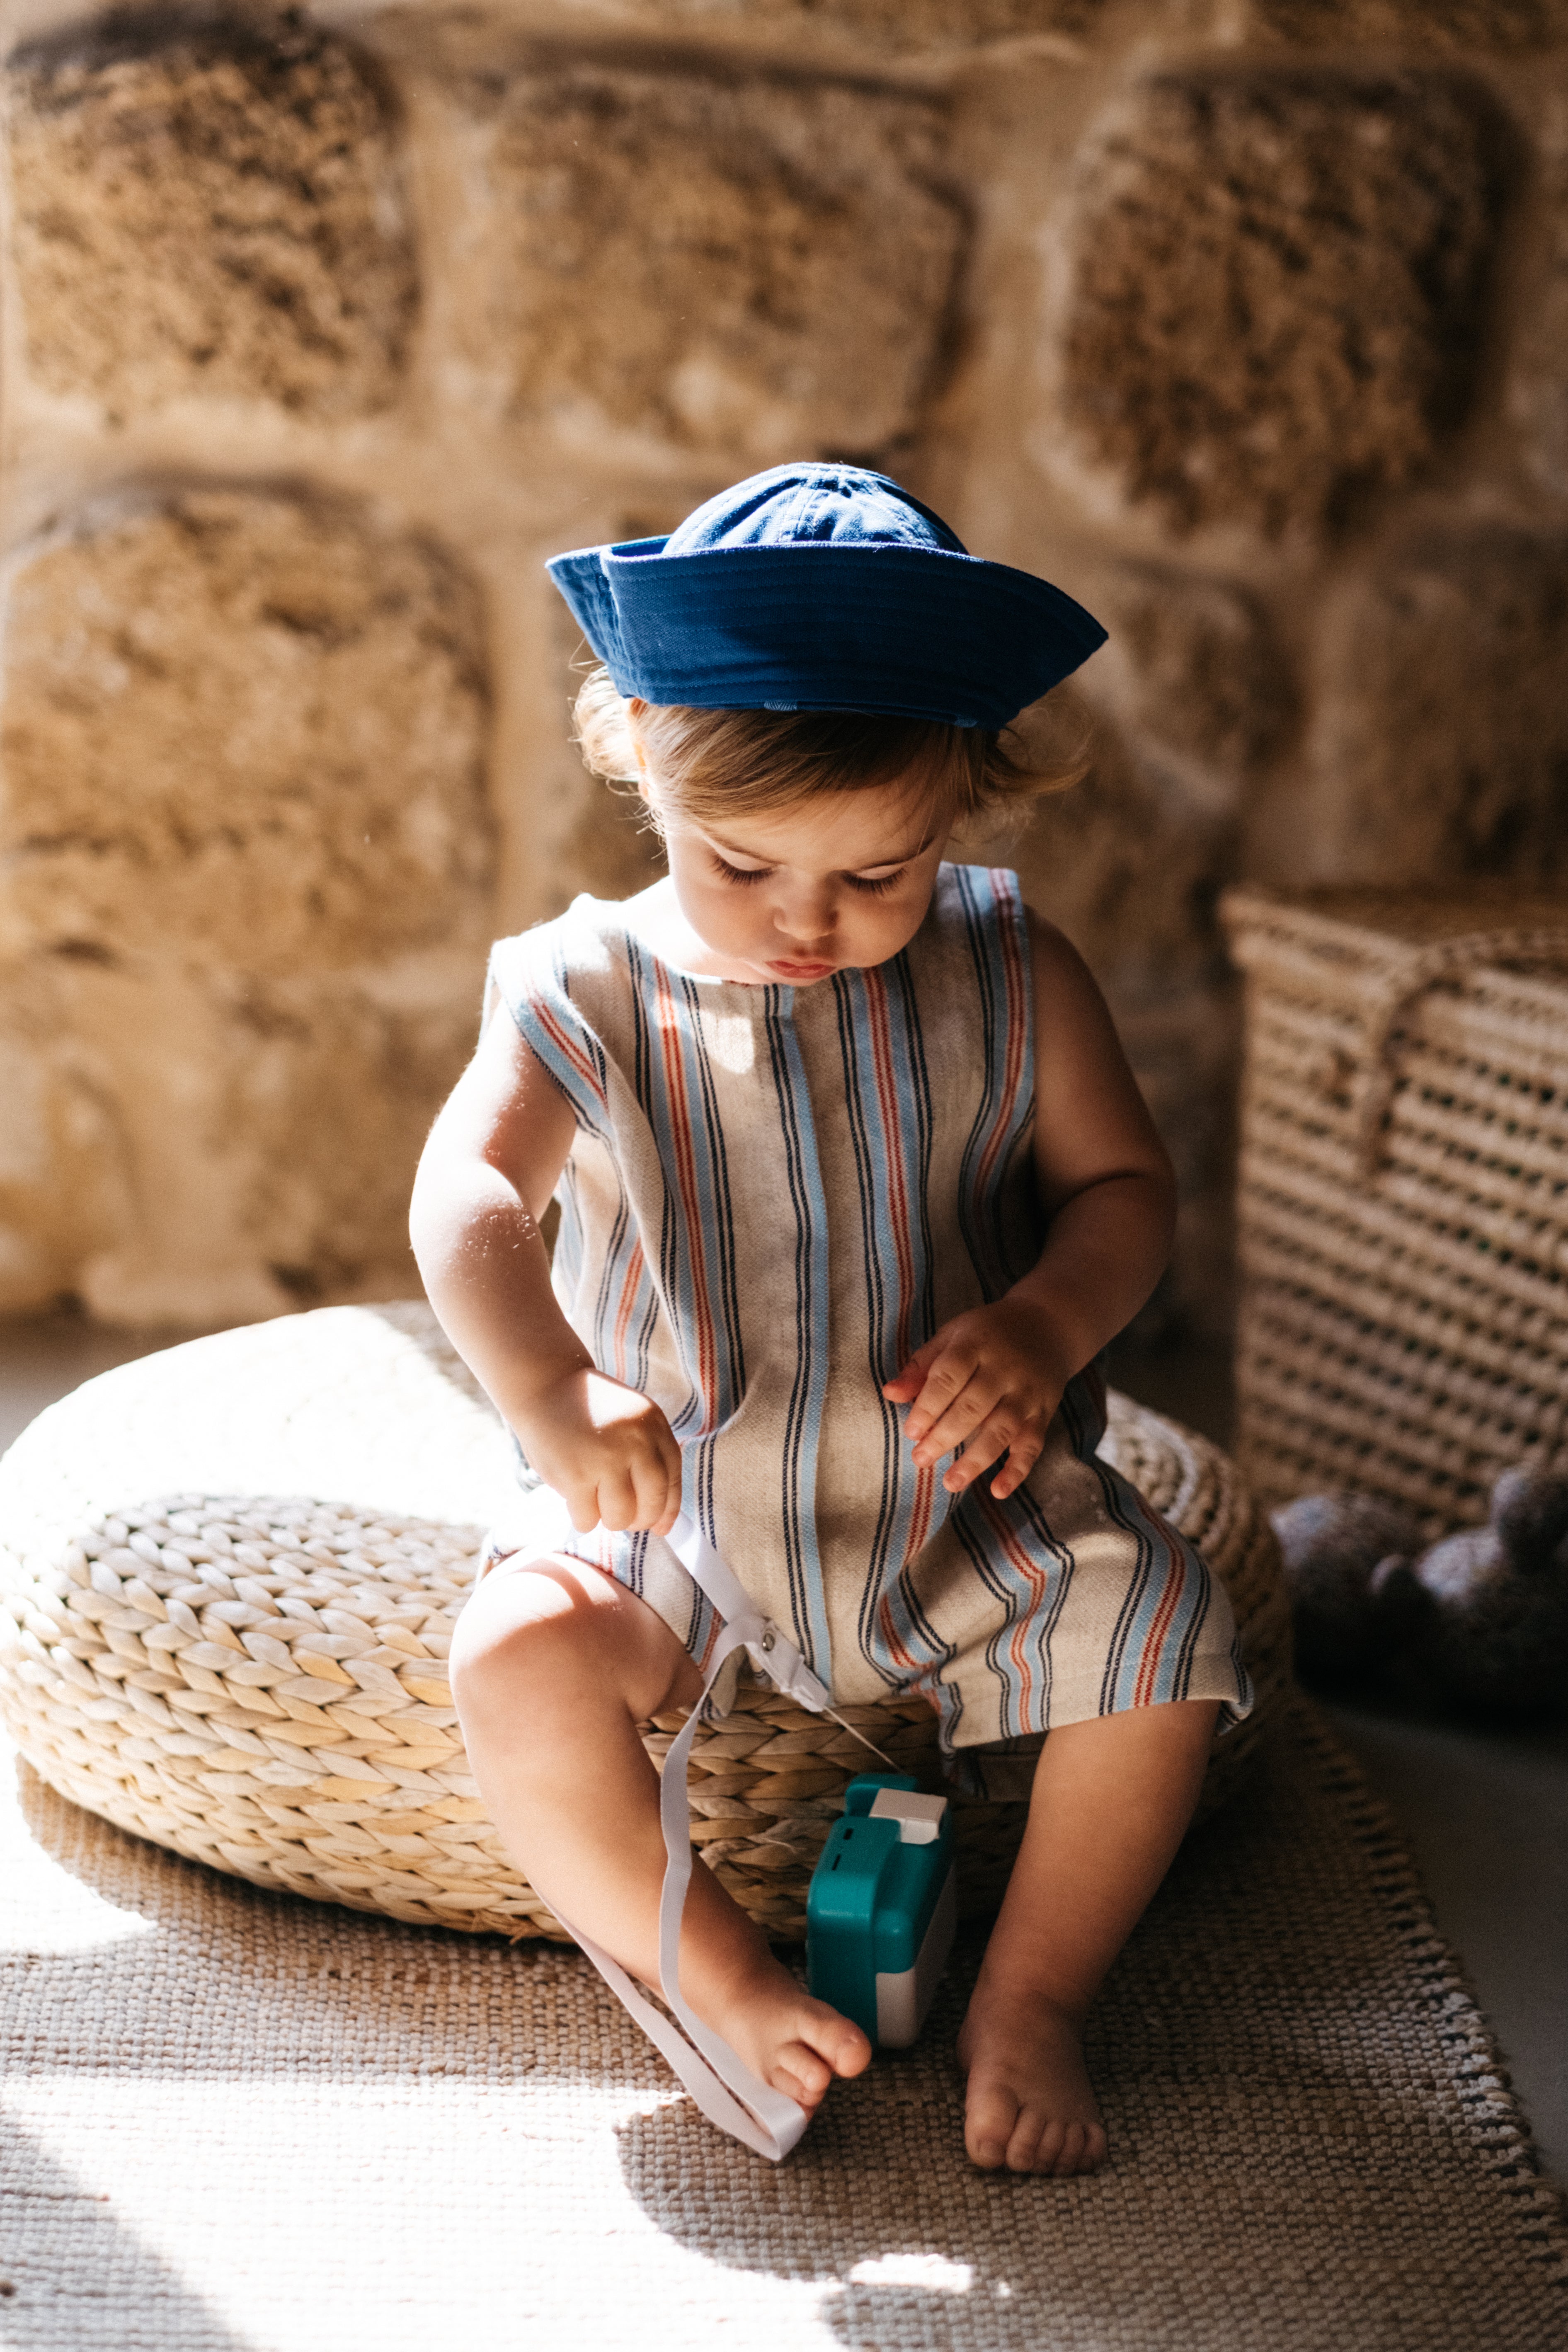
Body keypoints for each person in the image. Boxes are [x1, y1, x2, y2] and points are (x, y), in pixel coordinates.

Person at [410, 464, 1252, 2177]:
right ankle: (708, 1974)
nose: (811, 921)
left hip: (964, 1495)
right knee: (512, 1662)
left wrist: (1039, 1326)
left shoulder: (1011, 970)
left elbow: (1124, 1192)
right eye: (745, 865)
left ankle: (1032, 1991)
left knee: (1163, 1632)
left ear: (965, 794)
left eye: (881, 871)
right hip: (681, 1503)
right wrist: (557, 1392)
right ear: (641, 752)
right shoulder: (582, 988)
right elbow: (467, 1200)